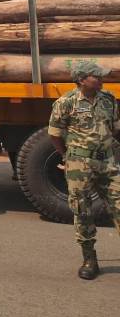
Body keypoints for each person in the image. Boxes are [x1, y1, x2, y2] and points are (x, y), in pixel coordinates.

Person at [48, 61, 120, 280]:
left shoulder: (108, 99)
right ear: (81, 80)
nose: (101, 79)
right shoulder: (66, 102)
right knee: (83, 210)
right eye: (96, 76)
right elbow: (54, 133)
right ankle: (89, 259)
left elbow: (115, 128)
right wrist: (67, 156)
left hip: (107, 162)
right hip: (79, 165)